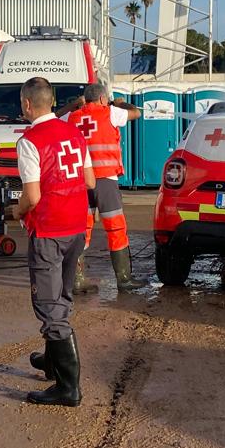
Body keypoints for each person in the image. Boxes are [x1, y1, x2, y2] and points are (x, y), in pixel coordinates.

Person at [16, 76, 94, 407]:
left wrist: (12, 210)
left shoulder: (30, 141)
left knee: (49, 306)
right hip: (77, 227)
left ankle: (68, 388)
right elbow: (89, 179)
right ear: (52, 101)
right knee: (61, 295)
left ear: (26, 104)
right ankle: (52, 362)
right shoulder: (75, 132)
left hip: (49, 229)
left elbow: (31, 197)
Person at [64, 83, 141, 293]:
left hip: (80, 182)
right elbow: (136, 113)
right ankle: (124, 280)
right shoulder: (111, 112)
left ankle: (77, 280)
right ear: (101, 99)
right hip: (106, 180)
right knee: (116, 228)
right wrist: (120, 103)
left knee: (81, 230)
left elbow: (53, 117)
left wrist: (73, 105)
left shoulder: (72, 117)